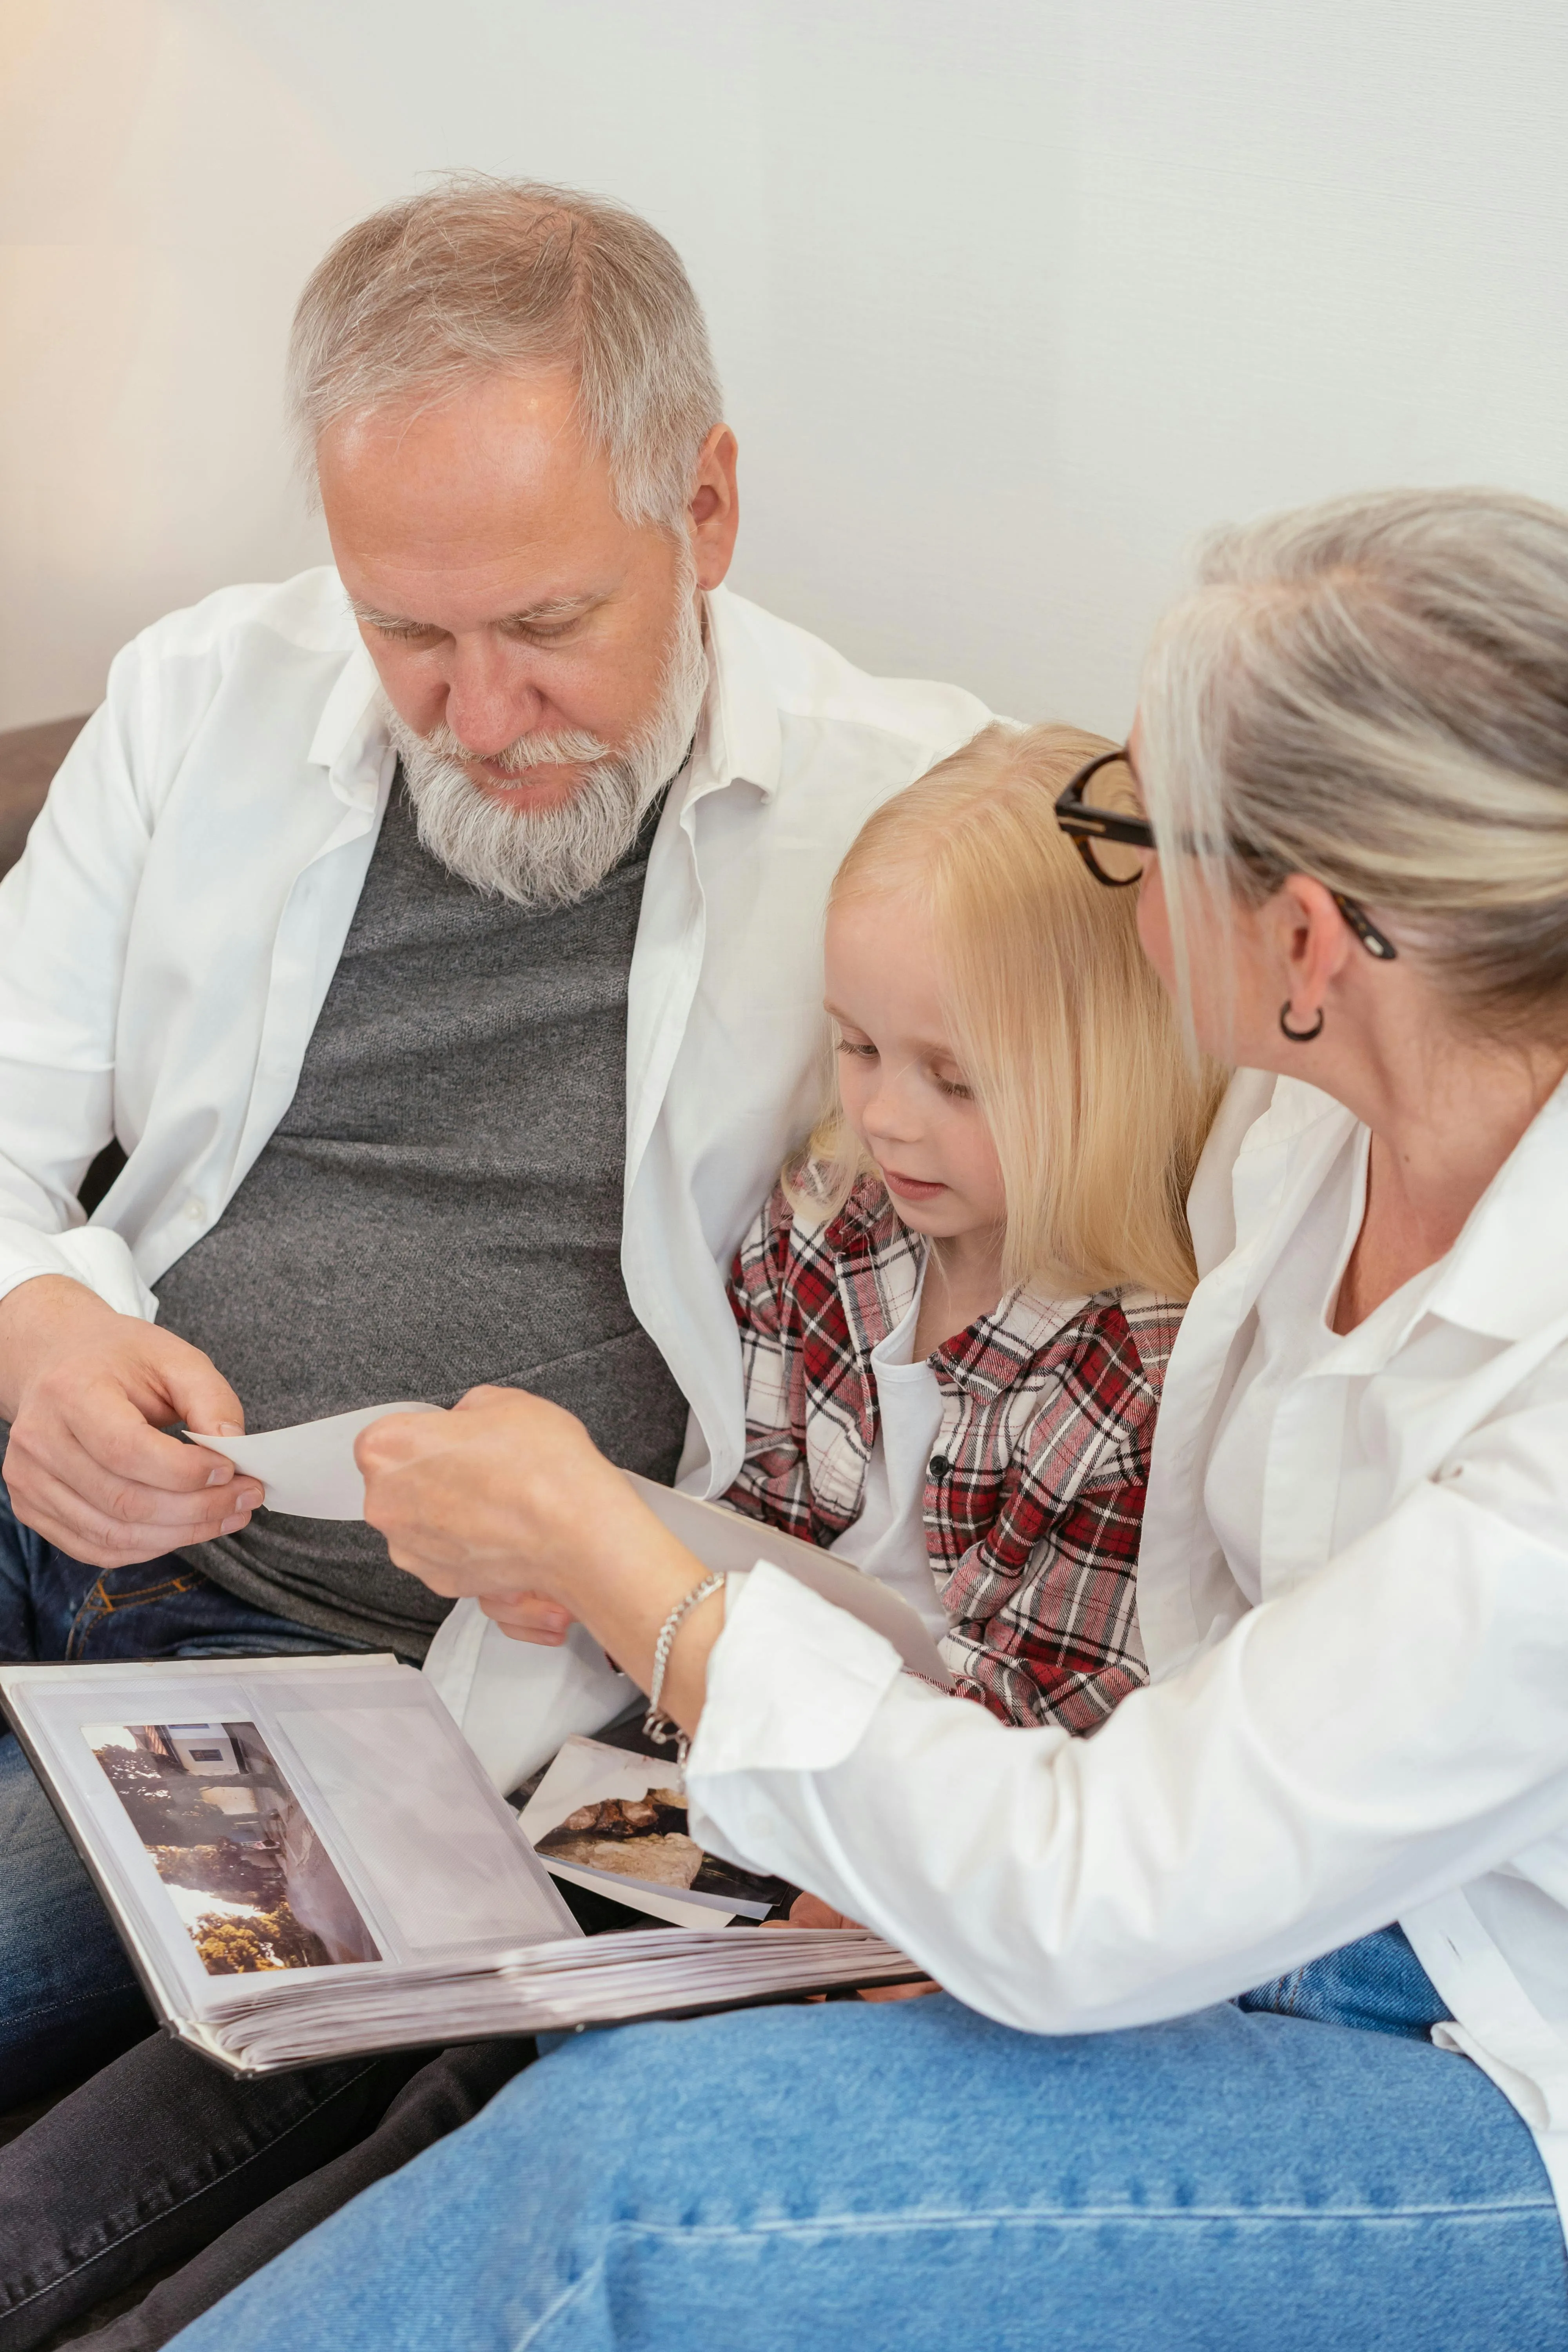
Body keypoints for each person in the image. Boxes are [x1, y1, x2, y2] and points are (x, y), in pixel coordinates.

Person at [167, 486, 1568, 2350]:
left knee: (636, 2180)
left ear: (1306, 945)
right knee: (570, 2043)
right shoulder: (1306, 1132)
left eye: (1141, 829)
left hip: (1484, 2062)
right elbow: (1175, 1749)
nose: (1120, 883)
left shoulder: (1534, 1454)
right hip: (1250, 1903)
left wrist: (617, 1555)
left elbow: (1094, 1893)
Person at [0, 176, 991, 2343]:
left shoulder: (914, 824)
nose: (473, 709)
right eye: (403, 632)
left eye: (544, 624)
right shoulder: (201, 691)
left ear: (704, 507)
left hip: (321, 1683)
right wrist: (41, 1316)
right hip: (36, 1511)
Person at [495, 722, 1221, 1730]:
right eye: (858, 1046)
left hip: (945, 1786)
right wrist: (597, 1590)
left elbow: (1047, 1722)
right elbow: (753, 1524)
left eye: (955, 1080)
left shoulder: (1142, 1374)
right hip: (733, 1729)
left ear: (1115, 1082)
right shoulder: (825, 1220)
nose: (882, 1117)